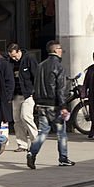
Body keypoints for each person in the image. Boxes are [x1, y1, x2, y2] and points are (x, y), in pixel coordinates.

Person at [27, 40, 75, 168]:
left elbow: (36, 85)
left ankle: (32, 153)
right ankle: (63, 158)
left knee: (42, 132)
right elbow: (60, 89)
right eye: (60, 49)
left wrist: (37, 101)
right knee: (61, 133)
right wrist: (64, 106)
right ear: (55, 50)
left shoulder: (40, 65)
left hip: (42, 104)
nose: (61, 52)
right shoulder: (59, 67)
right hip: (54, 105)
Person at [7, 43, 38, 152]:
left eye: (15, 56)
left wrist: (35, 92)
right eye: (12, 57)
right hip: (16, 94)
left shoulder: (29, 59)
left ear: (19, 51)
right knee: (17, 119)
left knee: (26, 116)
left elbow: (36, 76)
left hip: (27, 94)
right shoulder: (10, 62)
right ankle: (22, 144)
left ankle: (35, 141)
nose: (14, 59)